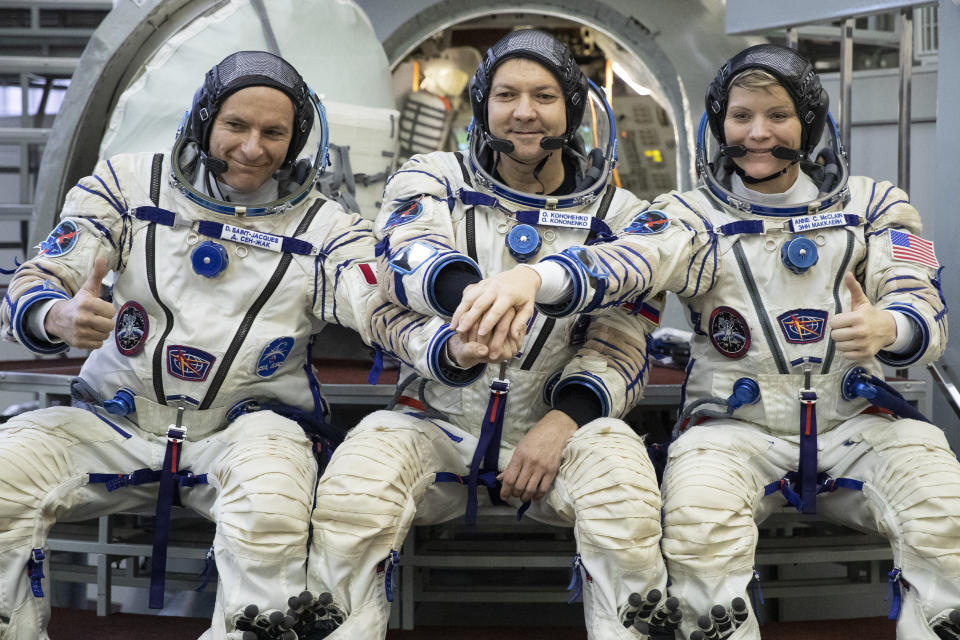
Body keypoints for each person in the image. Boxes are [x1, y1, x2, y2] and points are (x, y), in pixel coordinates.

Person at [452, 44, 960, 640]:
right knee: (699, 538)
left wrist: (888, 328)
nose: (758, 134)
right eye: (740, 117)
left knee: (943, 513)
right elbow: (624, 261)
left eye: (777, 116)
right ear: (719, 126)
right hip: (730, 431)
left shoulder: (876, 208)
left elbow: (921, 301)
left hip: (858, 423)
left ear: (811, 122)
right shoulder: (690, 217)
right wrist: (533, 277)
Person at [0, 50, 465, 640]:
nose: (253, 148)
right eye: (236, 127)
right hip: (115, 421)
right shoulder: (125, 186)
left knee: (271, 509)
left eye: (275, 133)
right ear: (203, 121)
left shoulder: (326, 229)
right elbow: (38, 279)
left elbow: (376, 309)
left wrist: (447, 347)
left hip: (244, 433)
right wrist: (55, 313)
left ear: (297, 141)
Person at [308, 29, 672, 640]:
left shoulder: (623, 216)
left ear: (572, 109)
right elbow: (406, 252)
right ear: (483, 106)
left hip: (563, 432)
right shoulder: (432, 178)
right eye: (506, 95)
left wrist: (564, 422)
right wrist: (468, 317)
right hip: (434, 418)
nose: (524, 112)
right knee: (351, 501)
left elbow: (621, 341)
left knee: (628, 507)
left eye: (544, 95)